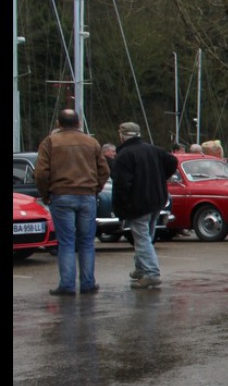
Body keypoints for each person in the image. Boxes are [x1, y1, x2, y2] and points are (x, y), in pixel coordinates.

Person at [35, 108, 111, 295]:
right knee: (86, 241)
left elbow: (41, 173)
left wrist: (46, 195)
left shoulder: (50, 142)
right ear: (78, 123)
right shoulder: (91, 142)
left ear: (58, 124)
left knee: (66, 242)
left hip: (61, 195)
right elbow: (105, 171)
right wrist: (95, 189)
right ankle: (88, 283)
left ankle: (67, 285)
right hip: (87, 196)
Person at [112, 121, 178, 290]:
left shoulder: (124, 155)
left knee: (141, 238)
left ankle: (151, 273)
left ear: (122, 135)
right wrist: (160, 177)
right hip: (156, 198)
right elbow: (172, 161)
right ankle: (141, 268)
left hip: (138, 201)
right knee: (146, 236)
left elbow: (121, 184)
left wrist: (120, 207)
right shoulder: (153, 149)